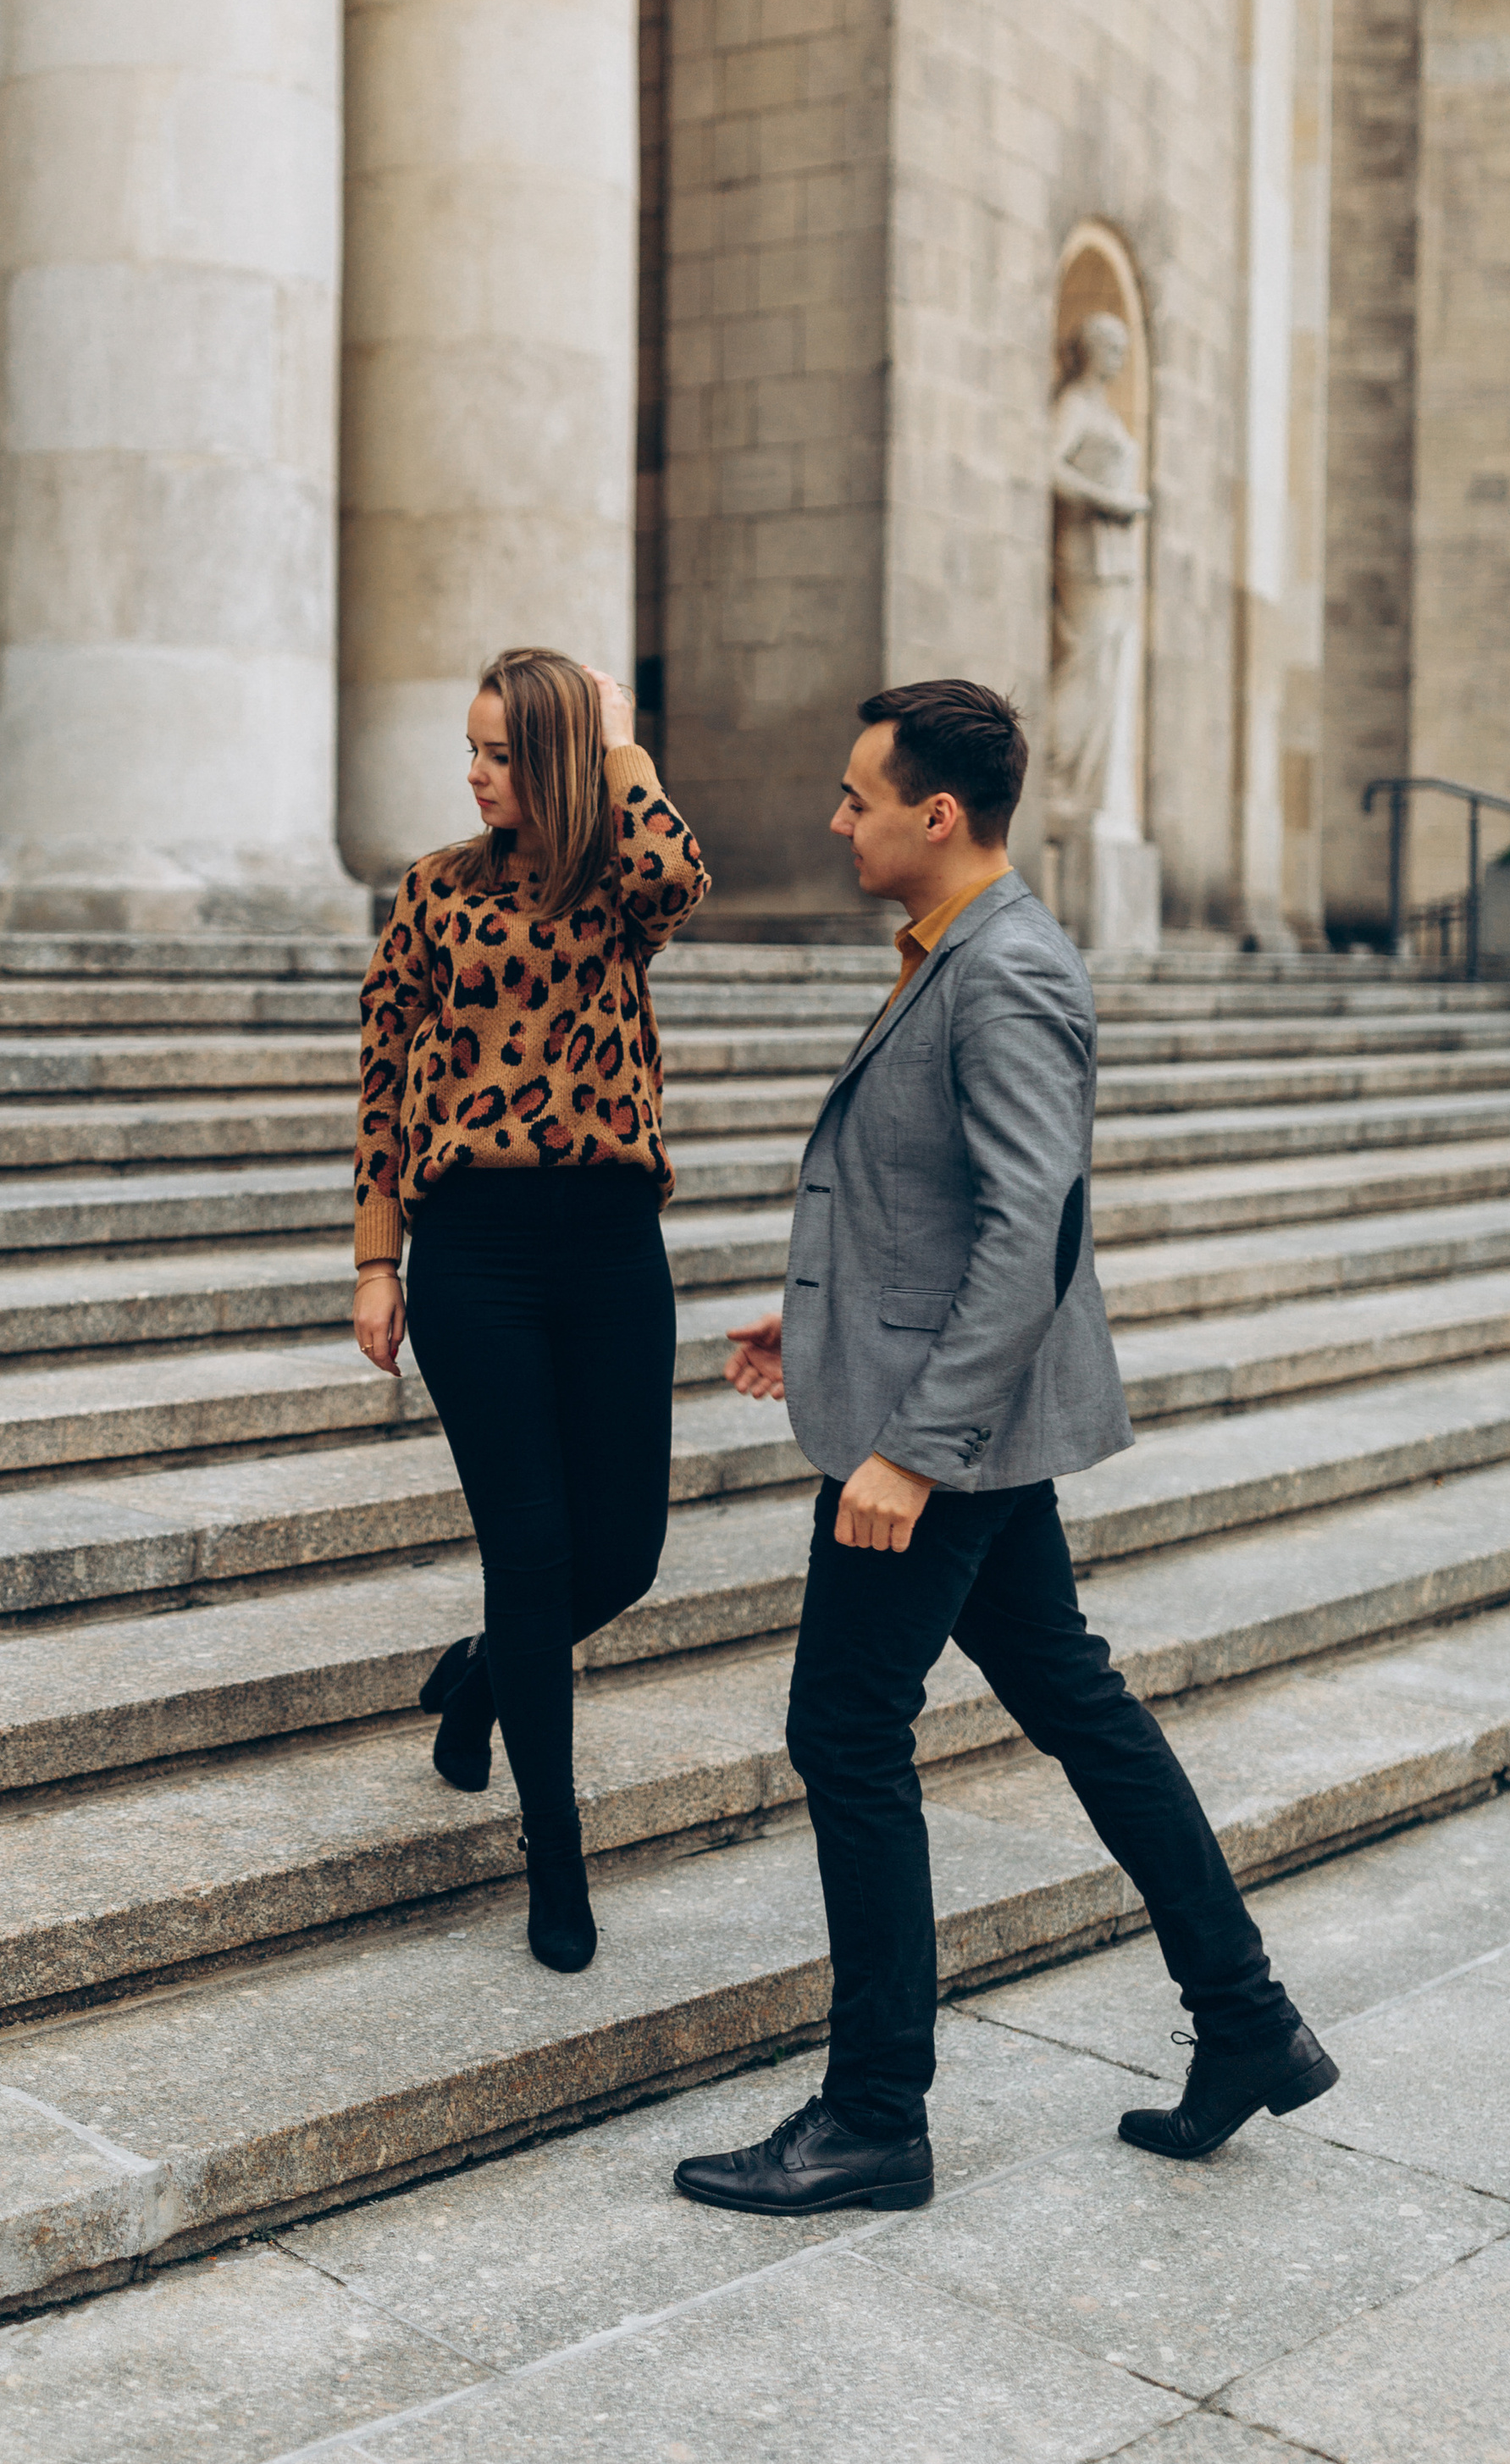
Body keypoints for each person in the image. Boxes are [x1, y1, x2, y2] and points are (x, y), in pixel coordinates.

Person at [672, 678, 1336, 2218]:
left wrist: (910, 1446)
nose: (836, 820)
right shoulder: (950, 957)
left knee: (844, 1730)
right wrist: (820, 1331)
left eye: (856, 797)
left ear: (936, 815)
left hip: (944, 1443)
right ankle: (1246, 2020)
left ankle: (874, 2117)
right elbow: (935, 1206)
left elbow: (1031, 1229)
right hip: (943, 1405)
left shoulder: (1007, 970)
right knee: (1077, 1701)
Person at [351, 647, 709, 1974]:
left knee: (625, 1555)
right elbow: (385, 1070)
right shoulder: (435, 890)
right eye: (473, 749)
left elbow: (677, 875)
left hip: (611, 1242)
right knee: (534, 1551)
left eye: (502, 751)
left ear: (555, 758)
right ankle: (554, 1860)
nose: (475, 772)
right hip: (475, 1255)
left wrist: (621, 743)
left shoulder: (618, 879)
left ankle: (482, 1676)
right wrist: (375, 1257)